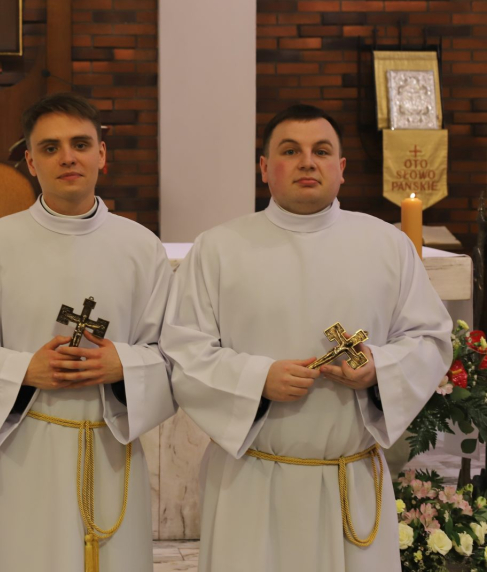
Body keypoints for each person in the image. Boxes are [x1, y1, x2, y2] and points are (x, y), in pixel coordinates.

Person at [162, 104, 452, 572]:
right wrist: (258, 379)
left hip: (350, 477)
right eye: (290, 151)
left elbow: (430, 339)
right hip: (252, 479)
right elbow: (183, 352)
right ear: (264, 167)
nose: (307, 162)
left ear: (340, 167)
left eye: (321, 151)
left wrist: (378, 368)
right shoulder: (219, 249)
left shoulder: (387, 245)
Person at [0, 92, 176, 572]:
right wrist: (23, 370)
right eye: (50, 148)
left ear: (102, 154)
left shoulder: (141, 248)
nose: (67, 157)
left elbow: (176, 354)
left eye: (80, 144)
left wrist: (123, 364)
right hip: (17, 451)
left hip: (109, 447)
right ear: (31, 162)